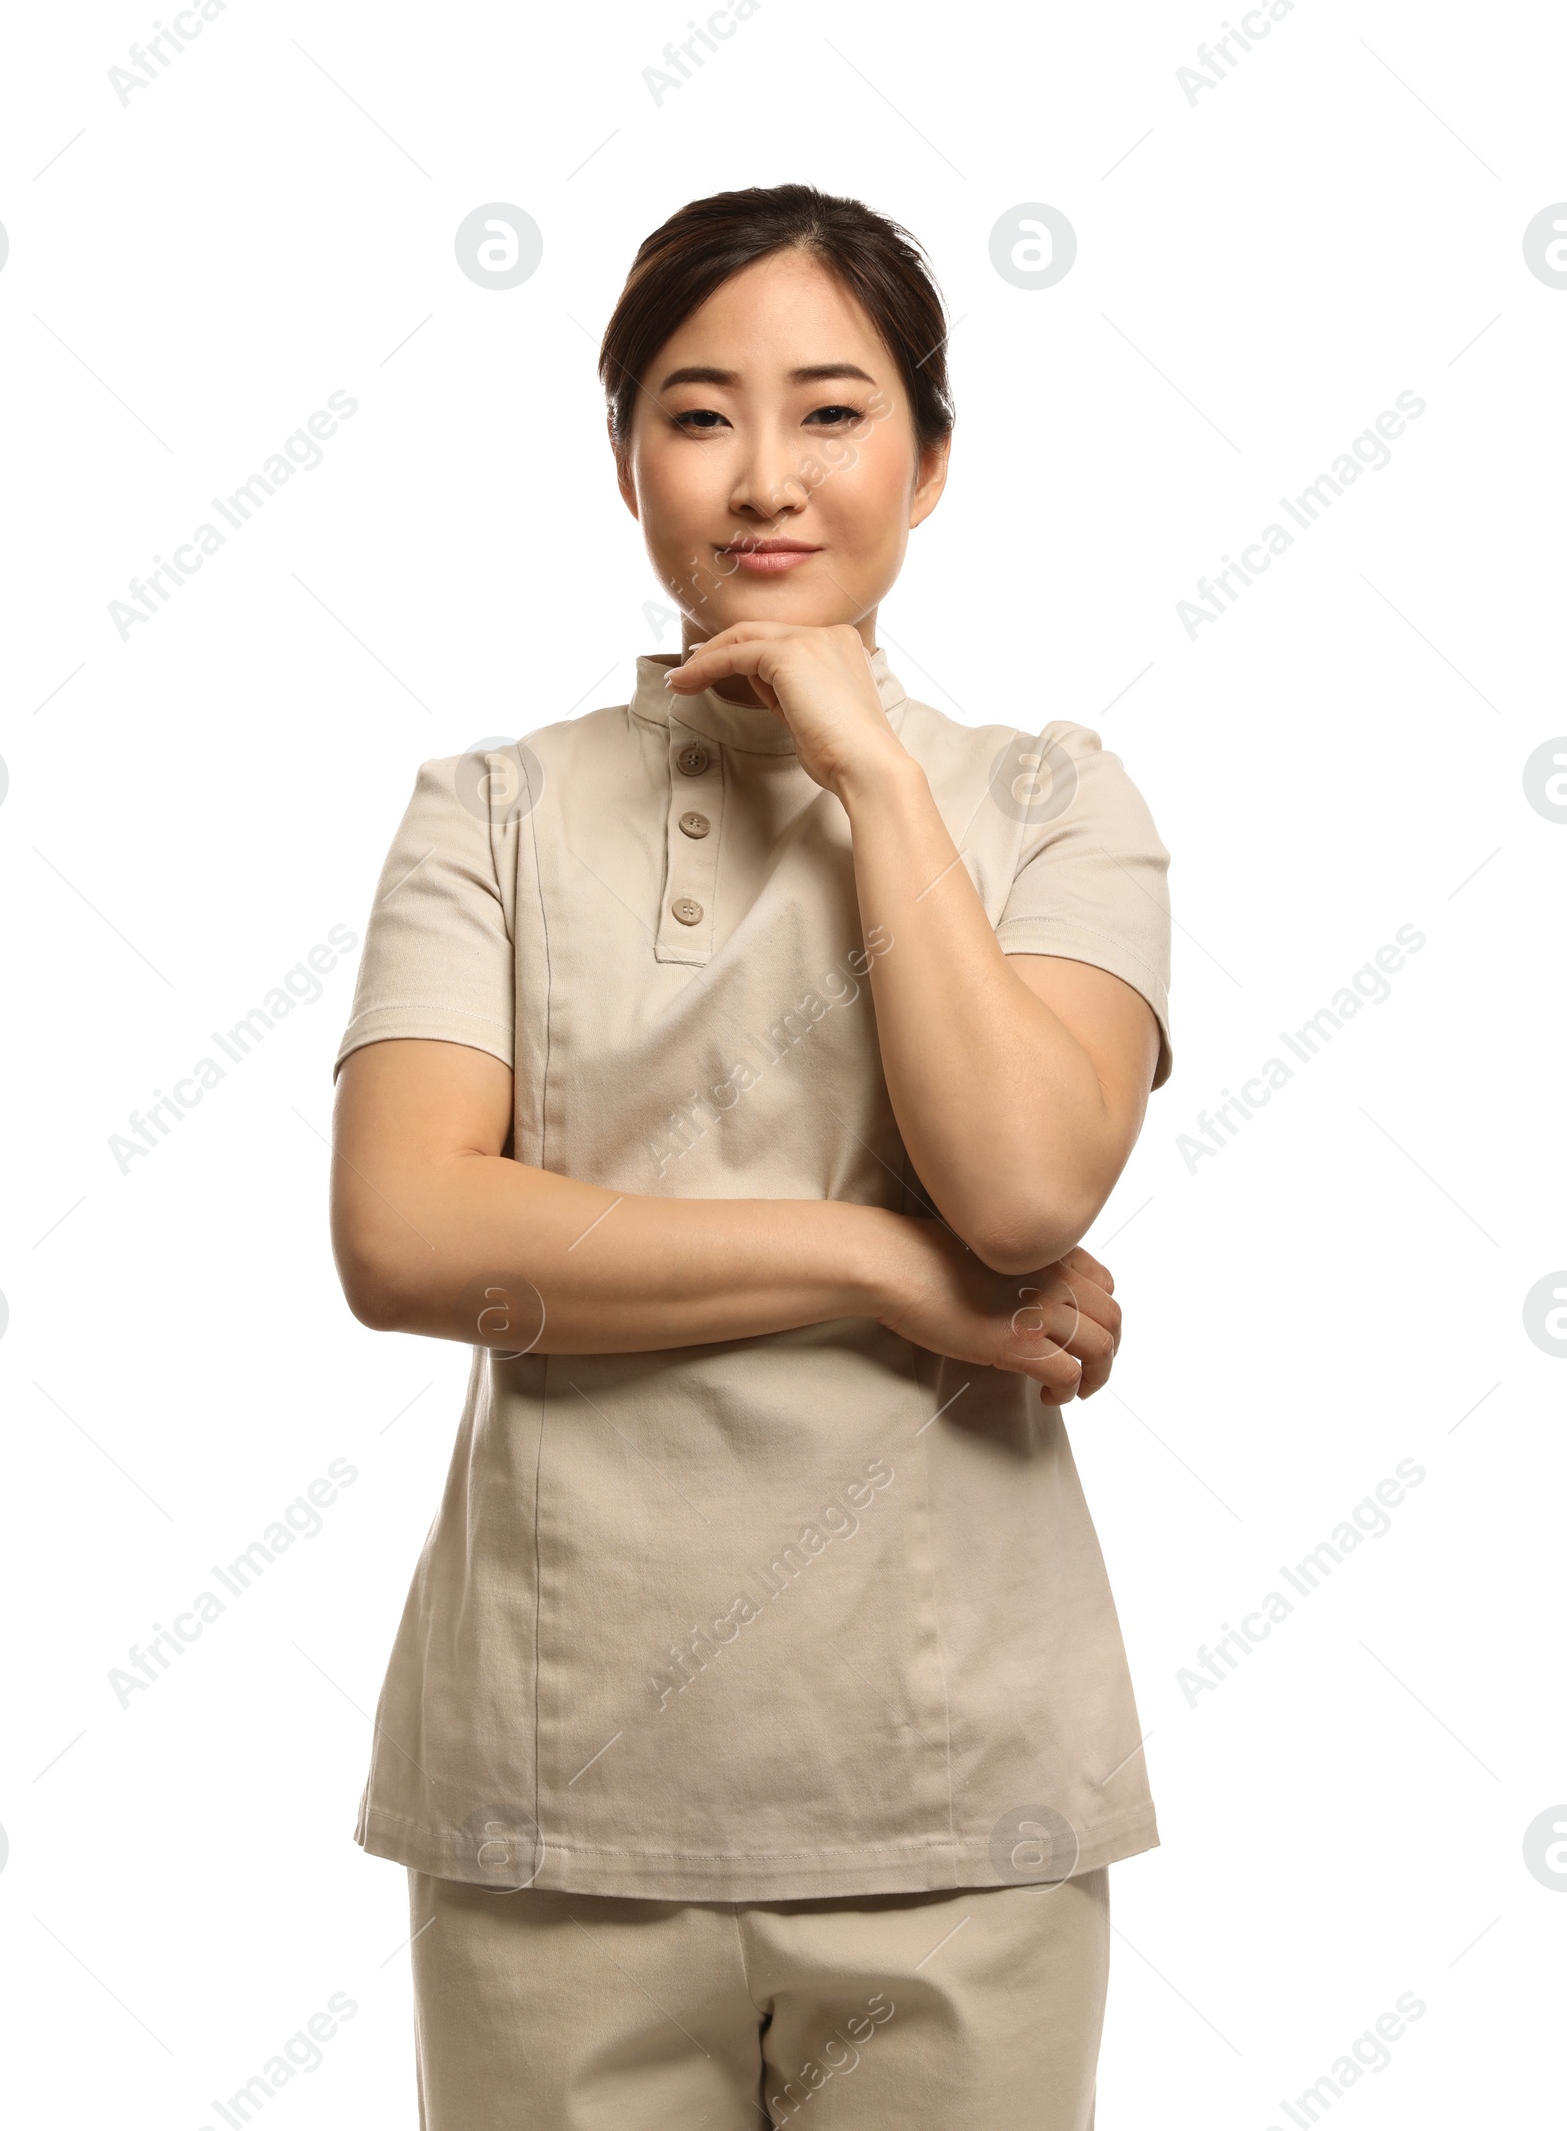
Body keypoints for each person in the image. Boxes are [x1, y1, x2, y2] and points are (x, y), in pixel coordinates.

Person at [329, 181, 1174, 2131]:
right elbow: (404, 1228)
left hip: (960, 1805)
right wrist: (877, 1272)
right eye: (698, 413)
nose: (763, 477)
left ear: (930, 458)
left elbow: (1024, 1189)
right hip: (557, 1809)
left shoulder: (1053, 800)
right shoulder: (491, 811)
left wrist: (869, 765)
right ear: (625, 456)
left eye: (831, 410)